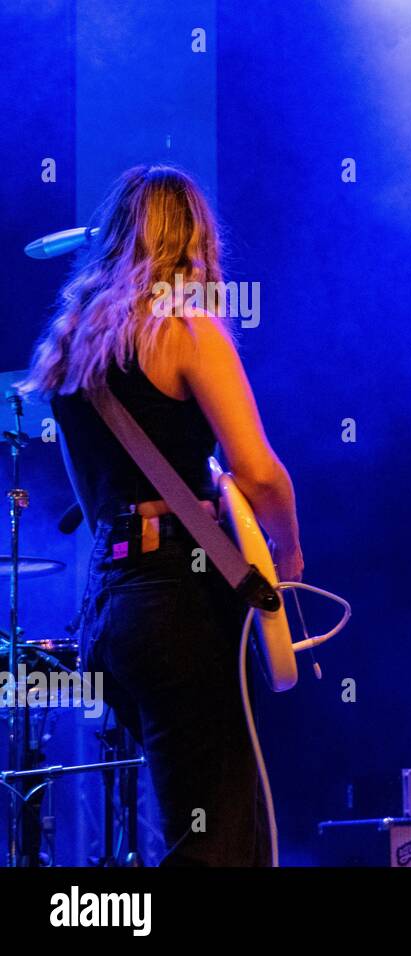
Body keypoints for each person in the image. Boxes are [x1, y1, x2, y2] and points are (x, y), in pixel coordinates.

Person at [20, 164, 302, 865]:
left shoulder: (73, 350)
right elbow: (259, 470)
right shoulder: (187, 328)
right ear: (195, 240)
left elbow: (92, 504)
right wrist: (289, 553)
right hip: (183, 603)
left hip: (115, 610)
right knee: (219, 837)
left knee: (197, 822)